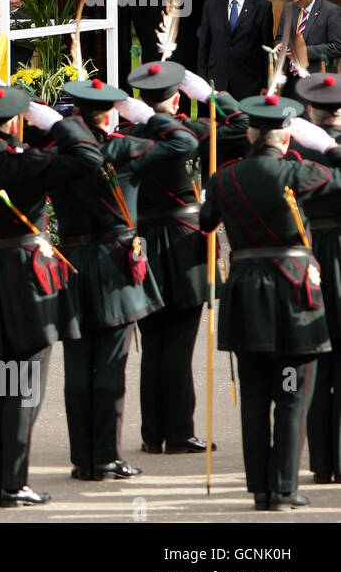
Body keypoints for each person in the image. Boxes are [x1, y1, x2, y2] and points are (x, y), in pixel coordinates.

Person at [0, 84, 104, 507]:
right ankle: (14, 484)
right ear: (16, 123)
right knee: (24, 383)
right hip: (25, 279)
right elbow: (89, 158)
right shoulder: (28, 165)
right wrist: (58, 123)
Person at [201, 93, 339, 510]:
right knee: (292, 392)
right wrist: (330, 146)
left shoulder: (223, 178)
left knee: (256, 396)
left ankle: (261, 488)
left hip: (246, 296)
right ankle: (283, 487)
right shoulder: (299, 173)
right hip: (293, 295)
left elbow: (206, 223)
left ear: (249, 133)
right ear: (285, 138)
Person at [52, 78, 179, 483]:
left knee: (77, 366)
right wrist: (149, 115)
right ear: (110, 114)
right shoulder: (124, 149)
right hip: (113, 266)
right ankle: (105, 457)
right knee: (110, 365)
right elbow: (183, 144)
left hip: (71, 263)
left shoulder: (60, 154)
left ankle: (82, 459)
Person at [126, 59, 244, 456]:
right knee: (178, 341)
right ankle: (178, 431)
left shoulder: (130, 136)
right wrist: (210, 95)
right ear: (177, 99)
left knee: (154, 341)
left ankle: (152, 432)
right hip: (182, 243)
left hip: (142, 244)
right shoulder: (191, 131)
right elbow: (244, 126)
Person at [293, 73, 341, 485]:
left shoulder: (295, 147)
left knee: (319, 359)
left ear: (311, 109)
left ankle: (321, 462)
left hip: (311, 253)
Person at [196, 0, 274, 100]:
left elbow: (266, 47)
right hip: (217, 81)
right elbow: (204, 47)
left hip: (249, 83)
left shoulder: (262, 7)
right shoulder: (211, 6)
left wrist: (266, 83)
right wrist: (202, 81)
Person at [281, 0, 341, 98]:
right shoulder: (290, 9)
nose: (295, 0)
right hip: (289, 80)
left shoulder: (331, 11)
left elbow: (337, 47)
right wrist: (281, 46)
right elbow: (280, 37)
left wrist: (302, 51)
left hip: (316, 80)